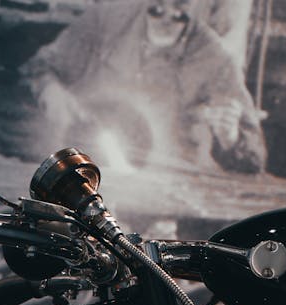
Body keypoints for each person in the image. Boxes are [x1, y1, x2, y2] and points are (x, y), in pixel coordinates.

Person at [23, 0, 266, 174]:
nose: (167, 17)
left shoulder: (215, 58)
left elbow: (255, 157)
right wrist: (51, 91)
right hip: (82, 172)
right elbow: (40, 66)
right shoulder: (104, 20)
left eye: (179, 10)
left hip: (163, 186)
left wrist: (231, 139)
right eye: (158, 9)